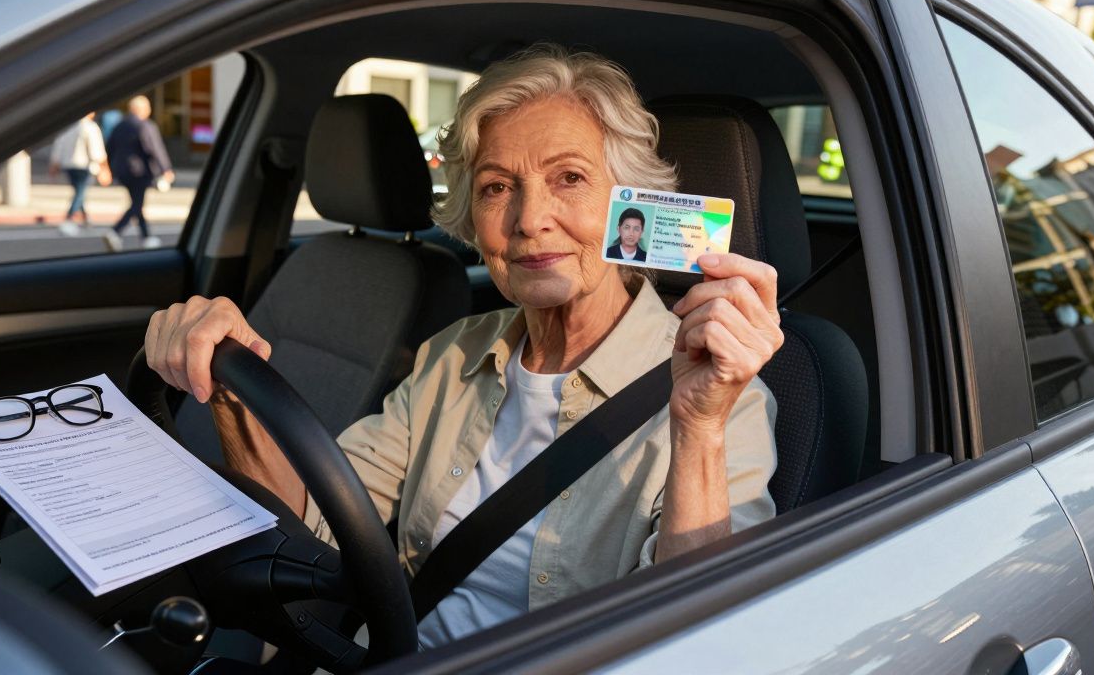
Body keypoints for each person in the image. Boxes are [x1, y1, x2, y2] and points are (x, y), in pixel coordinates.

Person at [144, 45, 781, 648]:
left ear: (630, 205)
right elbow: (311, 526)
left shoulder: (722, 395)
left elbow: (692, 642)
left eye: (569, 178)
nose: (530, 220)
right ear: (473, 220)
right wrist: (228, 391)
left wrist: (698, 426)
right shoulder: (453, 353)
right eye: (497, 187)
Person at [103, 96, 173, 251]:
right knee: (137, 204)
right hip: (140, 172)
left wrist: (110, 168)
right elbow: (155, 149)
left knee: (137, 203)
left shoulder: (119, 126)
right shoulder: (145, 126)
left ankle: (146, 236)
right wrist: (166, 169)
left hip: (122, 171)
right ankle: (116, 231)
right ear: (142, 110)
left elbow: (109, 148)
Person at [48, 112, 111, 236]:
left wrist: (55, 164)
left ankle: (85, 218)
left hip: (69, 165)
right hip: (84, 166)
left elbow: (58, 147)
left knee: (79, 191)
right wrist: (104, 169)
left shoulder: (68, 127)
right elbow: (97, 152)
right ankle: (69, 218)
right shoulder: (90, 127)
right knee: (80, 192)